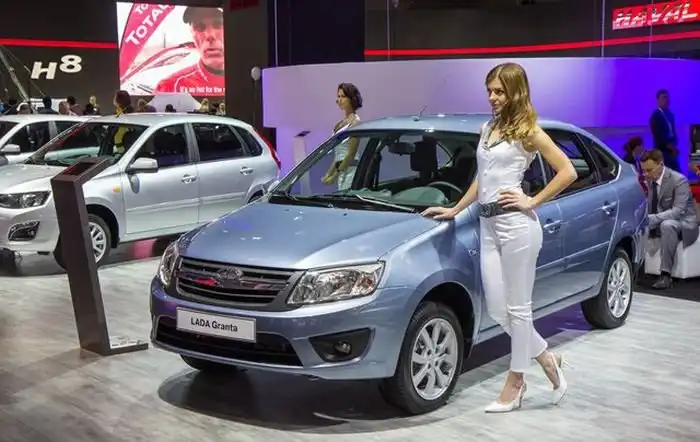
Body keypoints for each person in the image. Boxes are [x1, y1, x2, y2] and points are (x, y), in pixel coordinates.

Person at [422, 62, 577, 413]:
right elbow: (483, 177)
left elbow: (567, 171)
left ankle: (516, 381)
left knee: (519, 310)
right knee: (496, 308)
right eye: (489, 90)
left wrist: (532, 201)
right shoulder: (488, 128)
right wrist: (456, 209)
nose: (492, 97)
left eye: (499, 91)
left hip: (517, 225)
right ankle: (547, 359)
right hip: (487, 225)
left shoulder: (529, 131)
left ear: (516, 92)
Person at [639, 149, 699, 289]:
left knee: (667, 225)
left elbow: (678, 211)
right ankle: (637, 269)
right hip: (661, 220)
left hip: (685, 223)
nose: (646, 174)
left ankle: (665, 275)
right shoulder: (649, 181)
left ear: (660, 164)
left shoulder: (679, 180)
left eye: (649, 170)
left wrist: (653, 219)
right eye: (644, 171)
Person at [154, 7, 225, 95]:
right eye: (199, 27)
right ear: (192, 34)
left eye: (218, 24)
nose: (209, 35)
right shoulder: (170, 88)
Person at [321, 83, 362, 190]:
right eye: (338, 96)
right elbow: (338, 155)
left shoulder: (355, 122)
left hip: (350, 172)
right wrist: (328, 174)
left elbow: (351, 154)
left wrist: (334, 176)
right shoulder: (339, 124)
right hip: (341, 170)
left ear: (352, 98)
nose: (339, 99)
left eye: (343, 96)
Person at [649, 89, 679, 172]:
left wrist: (675, 145)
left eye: (668, 97)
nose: (667, 100)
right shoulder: (656, 116)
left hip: (671, 150)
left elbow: (673, 132)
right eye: (664, 97)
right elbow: (659, 136)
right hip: (662, 151)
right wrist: (671, 148)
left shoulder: (670, 115)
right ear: (658, 100)